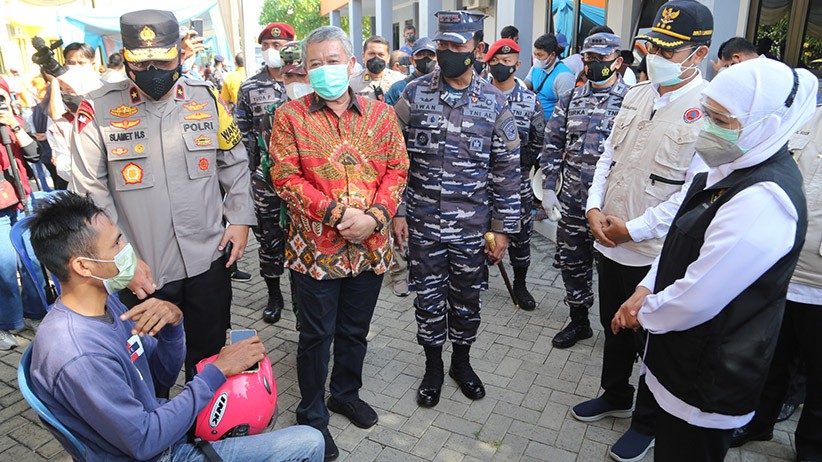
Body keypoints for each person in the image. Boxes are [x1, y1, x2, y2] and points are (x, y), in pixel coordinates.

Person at [611, 57, 816, 462]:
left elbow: (700, 295)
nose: (706, 127)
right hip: (681, 359)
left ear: (768, 126)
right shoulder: (726, 168)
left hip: (707, 376)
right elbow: (678, 242)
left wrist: (641, 313)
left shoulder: (764, 198)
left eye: (720, 119)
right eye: (706, 114)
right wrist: (645, 286)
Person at [25, 191, 324, 461]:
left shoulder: (106, 304)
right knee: (309, 442)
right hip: (159, 452)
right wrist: (217, 371)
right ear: (82, 266)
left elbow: (162, 377)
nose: (127, 247)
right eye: (116, 242)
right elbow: (144, 441)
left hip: (161, 428)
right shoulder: (79, 354)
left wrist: (173, 324)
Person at [71, 9, 256, 382]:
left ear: (180, 54)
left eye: (163, 59)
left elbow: (234, 162)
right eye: (142, 62)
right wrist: (122, 261)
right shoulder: (98, 110)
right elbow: (89, 193)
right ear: (125, 57)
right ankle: (160, 436)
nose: (153, 70)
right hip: (143, 271)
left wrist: (239, 219)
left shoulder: (207, 100)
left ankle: (202, 432)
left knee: (208, 360)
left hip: (208, 260)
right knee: (149, 370)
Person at [575, 2, 713, 460]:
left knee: (651, 339)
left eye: (670, 51)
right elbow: (607, 158)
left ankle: (648, 421)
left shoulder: (712, 111)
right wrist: (593, 206)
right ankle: (615, 394)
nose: (656, 56)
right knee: (611, 325)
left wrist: (633, 229)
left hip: (656, 250)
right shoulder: (636, 93)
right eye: (654, 46)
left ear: (700, 54)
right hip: (609, 238)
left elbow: (695, 193)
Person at [269, 25, 408, 460]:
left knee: (355, 331)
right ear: (305, 71)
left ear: (350, 65)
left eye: (333, 61)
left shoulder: (382, 116)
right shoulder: (289, 117)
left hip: (369, 248)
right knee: (315, 336)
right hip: (316, 253)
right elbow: (284, 177)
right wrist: (338, 215)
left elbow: (397, 169)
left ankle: (345, 393)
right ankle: (312, 415)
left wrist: (375, 218)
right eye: (315, 64)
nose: (325, 70)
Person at [392, 10, 521, 410]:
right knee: (428, 300)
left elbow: (507, 170)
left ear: (477, 49)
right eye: (442, 44)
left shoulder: (496, 102)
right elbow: (393, 159)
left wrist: (502, 229)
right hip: (423, 224)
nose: (447, 52)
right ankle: (433, 367)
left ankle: (461, 364)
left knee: (467, 300)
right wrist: (396, 211)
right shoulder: (413, 95)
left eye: (457, 45)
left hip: (471, 229)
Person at [730, 98, 822, 460]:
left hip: (819, 278)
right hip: (782, 265)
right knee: (771, 357)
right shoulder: (806, 118)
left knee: (818, 373)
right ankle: (759, 421)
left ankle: (811, 448)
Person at [541, 32, 630, 349]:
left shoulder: (632, 102)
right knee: (572, 263)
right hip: (573, 201)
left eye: (600, 60)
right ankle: (579, 322)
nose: (592, 65)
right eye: (588, 59)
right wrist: (549, 189)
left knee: (614, 271)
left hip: (613, 205)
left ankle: (619, 330)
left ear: (617, 62)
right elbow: (552, 146)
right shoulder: (570, 100)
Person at [237, 22, 294, 323]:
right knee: (269, 240)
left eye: (280, 45)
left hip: (302, 180)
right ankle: (274, 294)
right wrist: (244, 182)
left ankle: (303, 299)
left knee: (302, 240)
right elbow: (243, 138)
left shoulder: (304, 83)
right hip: (266, 180)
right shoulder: (250, 87)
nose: (273, 51)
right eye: (267, 46)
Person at [485, 38, 546, 311]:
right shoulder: (478, 96)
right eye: (495, 62)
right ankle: (477, 279)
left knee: (520, 237)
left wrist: (525, 158)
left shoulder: (530, 101)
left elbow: (540, 139)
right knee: (477, 234)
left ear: (518, 65)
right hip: (480, 183)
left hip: (516, 184)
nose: (501, 66)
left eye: (506, 62)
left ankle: (520, 285)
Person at [0, 76, 42, 350]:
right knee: (5, 265)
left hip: (21, 200)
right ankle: (7, 322)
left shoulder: (13, 122)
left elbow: (34, 154)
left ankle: (36, 312)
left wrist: (13, 125)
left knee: (33, 261)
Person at [48, 68, 103, 186]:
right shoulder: (62, 123)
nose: (66, 96)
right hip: (82, 188)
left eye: (70, 91)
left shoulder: (108, 117)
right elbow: (63, 168)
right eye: (63, 91)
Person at [524, 33, 575, 119]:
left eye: (540, 55)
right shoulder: (536, 68)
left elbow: (566, 110)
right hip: (533, 122)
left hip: (550, 126)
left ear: (552, 55)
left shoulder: (564, 76)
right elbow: (524, 87)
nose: (536, 58)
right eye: (535, 54)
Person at [48, 42, 96, 121]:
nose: (76, 67)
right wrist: (55, 82)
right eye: (70, 63)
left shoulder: (103, 88)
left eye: (81, 63)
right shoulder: (59, 89)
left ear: (92, 64)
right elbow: (56, 116)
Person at [348, 36, 404, 101]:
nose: (376, 58)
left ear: (388, 58)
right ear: (363, 56)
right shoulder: (351, 82)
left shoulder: (399, 80)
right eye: (371, 54)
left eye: (381, 54)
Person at [384, 37, 437, 106]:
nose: (426, 58)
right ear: (412, 60)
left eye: (430, 55)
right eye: (420, 55)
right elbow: (386, 114)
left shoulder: (444, 85)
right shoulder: (399, 88)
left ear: (437, 59)